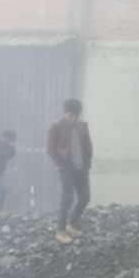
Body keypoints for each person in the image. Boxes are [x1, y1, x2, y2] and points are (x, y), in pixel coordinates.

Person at [47, 99, 93, 245]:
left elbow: (88, 146)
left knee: (85, 197)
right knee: (67, 198)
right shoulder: (56, 127)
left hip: (82, 168)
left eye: (75, 115)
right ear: (65, 112)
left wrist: (87, 163)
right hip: (66, 168)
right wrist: (60, 165)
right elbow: (50, 149)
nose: (72, 117)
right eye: (70, 114)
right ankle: (60, 231)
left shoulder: (82, 126)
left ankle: (72, 224)